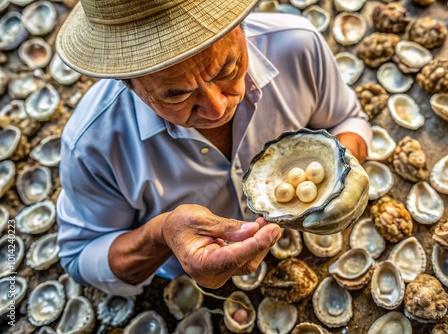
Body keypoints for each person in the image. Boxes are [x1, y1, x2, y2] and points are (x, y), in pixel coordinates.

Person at [55, 0, 371, 296]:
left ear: (241, 25)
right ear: (127, 82)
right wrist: (162, 234)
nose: (217, 108)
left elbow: (346, 120)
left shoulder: (296, 46)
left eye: (227, 69)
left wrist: (341, 175)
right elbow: (81, 257)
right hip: (184, 283)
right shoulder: (91, 145)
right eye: (176, 95)